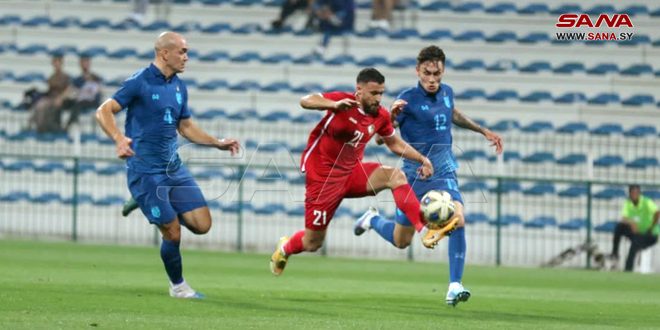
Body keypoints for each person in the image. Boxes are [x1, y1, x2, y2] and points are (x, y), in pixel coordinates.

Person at [352, 46, 503, 306]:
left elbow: (451, 113)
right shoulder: (405, 100)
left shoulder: (447, 93)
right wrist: (393, 115)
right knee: (401, 241)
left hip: (444, 171)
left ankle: (455, 285)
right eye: (427, 73)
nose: (432, 79)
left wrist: (482, 130)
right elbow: (379, 139)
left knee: (458, 218)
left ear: (442, 71)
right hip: (413, 176)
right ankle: (372, 220)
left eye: (437, 74)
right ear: (417, 71)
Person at [270, 67, 458, 276]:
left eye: (381, 93)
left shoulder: (380, 115)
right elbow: (306, 100)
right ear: (359, 91)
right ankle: (284, 249)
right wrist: (332, 104)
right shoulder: (343, 102)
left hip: (351, 173)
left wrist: (423, 159)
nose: (379, 98)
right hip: (324, 180)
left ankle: (425, 230)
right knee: (313, 242)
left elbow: (394, 143)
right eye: (374, 93)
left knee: (395, 176)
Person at [95, 31, 240, 299]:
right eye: (182, 51)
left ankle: (148, 205)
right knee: (172, 233)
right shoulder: (139, 82)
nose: (187, 57)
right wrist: (118, 138)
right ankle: (178, 286)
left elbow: (185, 126)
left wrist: (216, 142)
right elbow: (103, 110)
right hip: (146, 172)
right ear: (164, 53)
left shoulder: (178, 86)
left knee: (202, 225)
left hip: (174, 169)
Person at [610, 184, 659, 272]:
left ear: (639, 193)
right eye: (632, 193)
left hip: (649, 233)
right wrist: (631, 222)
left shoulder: (646, 202)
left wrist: (651, 227)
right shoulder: (628, 203)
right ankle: (615, 254)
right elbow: (624, 218)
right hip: (636, 232)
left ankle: (628, 269)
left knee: (634, 245)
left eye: (636, 193)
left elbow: (657, 212)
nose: (634, 195)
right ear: (630, 194)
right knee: (619, 227)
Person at [28, 52, 71, 133]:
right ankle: (38, 126)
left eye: (58, 62)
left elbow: (69, 89)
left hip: (59, 99)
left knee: (43, 106)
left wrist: (61, 98)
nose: (56, 64)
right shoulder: (51, 77)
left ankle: (42, 127)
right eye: (55, 62)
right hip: (50, 98)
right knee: (39, 105)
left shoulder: (65, 76)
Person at [61, 54, 103, 131]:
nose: (84, 64)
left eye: (86, 62)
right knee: (65, 102)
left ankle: (68, 127)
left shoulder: (96, 77)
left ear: (89, 63)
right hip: (81, 100)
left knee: (77, 105)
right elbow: (69, 89)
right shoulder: (78, 79)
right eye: (82, 62)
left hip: (92, 101)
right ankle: (56, 125)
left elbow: (99, 91)